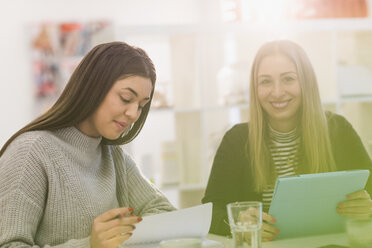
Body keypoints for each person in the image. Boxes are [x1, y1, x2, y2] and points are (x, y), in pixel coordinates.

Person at [0, 41, 175, 248]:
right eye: (126, 98)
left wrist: (123, 232)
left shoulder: (113, 156)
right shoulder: (31, 152)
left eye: (141, 106)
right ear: (95, 86)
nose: (134, 114)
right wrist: (90, 245)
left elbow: (165, 212)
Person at [202, 40, 372, 242]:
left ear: (306, 82)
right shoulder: (236, 141)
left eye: (288, 79)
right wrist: (237, 223)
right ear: (255, 89)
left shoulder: (338, 130)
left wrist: (368, 207)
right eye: (265, 82)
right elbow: (210, 212)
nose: (277, 92)